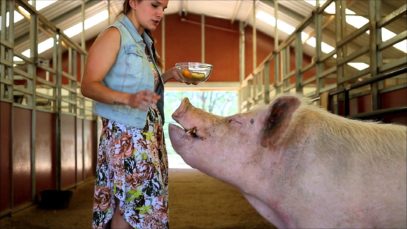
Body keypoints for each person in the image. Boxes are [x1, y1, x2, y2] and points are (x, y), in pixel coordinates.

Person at [81, 0, 184, 228]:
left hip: (146, 134)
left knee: (135, 204)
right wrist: (128, 99)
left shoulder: (144, 42)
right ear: (134, 2)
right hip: (125, 136)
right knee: (128, 204)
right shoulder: (114, 35)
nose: (160, 14)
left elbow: (142, 86)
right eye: (155, 5)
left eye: (164, 9)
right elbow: (88, 85)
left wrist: (168, 75)